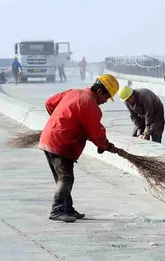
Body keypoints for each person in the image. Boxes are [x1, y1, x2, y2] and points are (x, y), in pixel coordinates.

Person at [39, 74, 119, 222]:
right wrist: (105, 146)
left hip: (49, 138)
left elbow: (49, 103)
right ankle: (56, 210)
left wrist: (63, 120)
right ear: (101, 91)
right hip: (61, 143)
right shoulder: (91, 105)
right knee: (66, 178)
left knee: (64, 178)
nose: (105, 102)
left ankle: (67, 208)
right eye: (107, 98)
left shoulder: (73, 92)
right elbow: (96, 133)